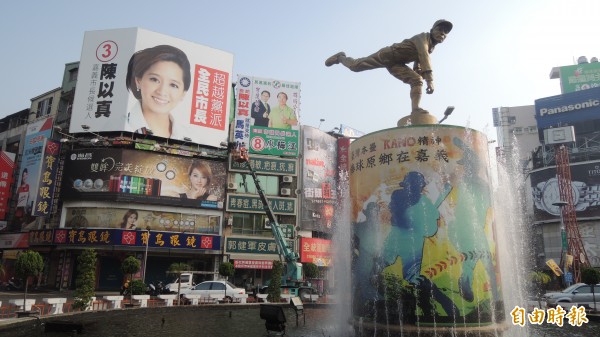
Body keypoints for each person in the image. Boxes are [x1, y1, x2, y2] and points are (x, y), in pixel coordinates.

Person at [325, 19, 452, 115]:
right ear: (432, 29)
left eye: (445, 32)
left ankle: (415, 110)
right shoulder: (423, 38)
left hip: (397, 64)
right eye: (439, 29)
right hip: (389, 55)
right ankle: (340, 57)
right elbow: (424, 57)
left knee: (416, 80)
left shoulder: (431, 47)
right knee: (355, 66)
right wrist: (429, 80)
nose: (442, 34)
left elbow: (418, 64)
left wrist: (419, 75)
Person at [126, 45, 191, 138]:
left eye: (173, 85)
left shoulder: (193, 138)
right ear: (138, 81)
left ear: (183, 94)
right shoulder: (117, 127)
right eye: (154, 79)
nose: (162, 91)